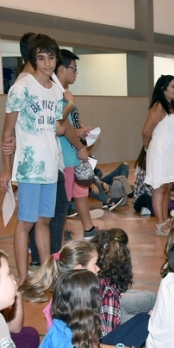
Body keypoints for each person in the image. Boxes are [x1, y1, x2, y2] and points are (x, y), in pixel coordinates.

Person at [0, 34, 87, 281]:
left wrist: (68, 106)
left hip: (51, 167)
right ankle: (23, 279)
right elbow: (7, 133)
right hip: (29, 168)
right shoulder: (21, 88)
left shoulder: (56, 91)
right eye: (41, 58)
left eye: (51, 57)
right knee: (25, 223)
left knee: (44, 222)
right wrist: (6, 169)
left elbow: (57, 127)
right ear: (33, 60)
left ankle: (46, 275)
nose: (47, 63)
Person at [56, 50, 98, 240]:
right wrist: (80, 146)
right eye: (73, 68)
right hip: (65, 154)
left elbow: (71, 121)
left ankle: (89, 230)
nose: (76, 72)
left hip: (74, 154)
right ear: (62, 68)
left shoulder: (67, 94)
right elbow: (62, 124)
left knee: (81, 191)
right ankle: (61, 233)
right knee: (64, 199)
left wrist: (81, 128)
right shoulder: (57, 94)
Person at [143, 75, 174, 236]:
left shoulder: (173, 107)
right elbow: (146, 131)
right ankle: (160, 223)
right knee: (160, 187)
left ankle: (165, 220)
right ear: (163, 89)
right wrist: (148, 148)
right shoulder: (158, 107)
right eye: (173, 86)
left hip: (172, 154)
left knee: (168, 187)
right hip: (160, 153)